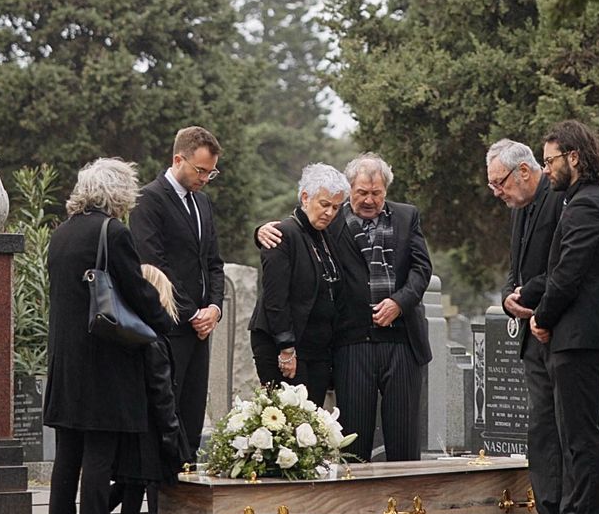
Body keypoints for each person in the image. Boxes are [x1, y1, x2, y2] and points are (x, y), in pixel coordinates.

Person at [257, 152, 431, 461]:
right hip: (352, 344)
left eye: (376, 193)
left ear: (386, 191)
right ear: (349, 189)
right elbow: (295, 229)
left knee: (404, 440)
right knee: (353, 442)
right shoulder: (331, 220)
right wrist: (260, 232)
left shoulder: (407, 216)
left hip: (403, 340)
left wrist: (399, 303)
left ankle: (408, 504)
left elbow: (421, 270)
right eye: (361, 192)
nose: (368, 200)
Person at [45, 158, 178, 514]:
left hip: (65, 363)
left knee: (66, 461)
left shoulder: (62, 234)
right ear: (118, 194)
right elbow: (137, 290)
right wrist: (165, 323)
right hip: (104, 367)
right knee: (99, 462)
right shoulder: (113, 232)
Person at [528, 120, 599, 514]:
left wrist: (542, 318)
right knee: (576, 438)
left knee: (581, 440)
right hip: (576, 335)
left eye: (549, 161)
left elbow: (568, 274)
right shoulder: (582, 200)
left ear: (574, 157)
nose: (545, 170)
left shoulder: (587, 204)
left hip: (578, 337)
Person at [129, 126, 226, 459]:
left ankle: (188, 494)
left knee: (192, 417)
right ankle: (162, 503)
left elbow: (213, 262)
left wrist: (214, 307)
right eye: (200, 171)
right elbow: (154, 264)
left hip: (201, 328)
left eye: (211, 172)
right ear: (177, 159)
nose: (204, 178)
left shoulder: (203, 203)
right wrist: (191, 312)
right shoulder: (149, 200)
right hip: (169, 326)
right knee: (166, 420)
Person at [487, 138, 566, 514]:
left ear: (523, 170)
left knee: (567, 428)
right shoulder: (518, 208)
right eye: (492, 185)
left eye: (499, 182)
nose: (497, 192)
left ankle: (570, 512)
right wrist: (507, 299)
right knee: (541, 428)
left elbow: (564, 265)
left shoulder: (560, 198)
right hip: (532, 336)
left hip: (562, 330)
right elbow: (514, 270)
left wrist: (530, 297)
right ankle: (548, 512)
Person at [249, 163, 348, 406]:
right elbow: (275, 298)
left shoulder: (325, 237)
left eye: (336, 207)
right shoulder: (283, 234)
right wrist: (286, 348)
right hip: (284, 346)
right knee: (288, 423)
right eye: (324, 204)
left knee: (311, 422)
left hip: (317, 347)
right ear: (305, 197)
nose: (330, 213)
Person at [108, 264, 188, 514]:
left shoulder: (125, 337)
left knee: (129, 488)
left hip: (130, 427)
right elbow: (161, 392)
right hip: (152, 432)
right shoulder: (154, 341)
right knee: (152, 490)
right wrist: (171, 434)